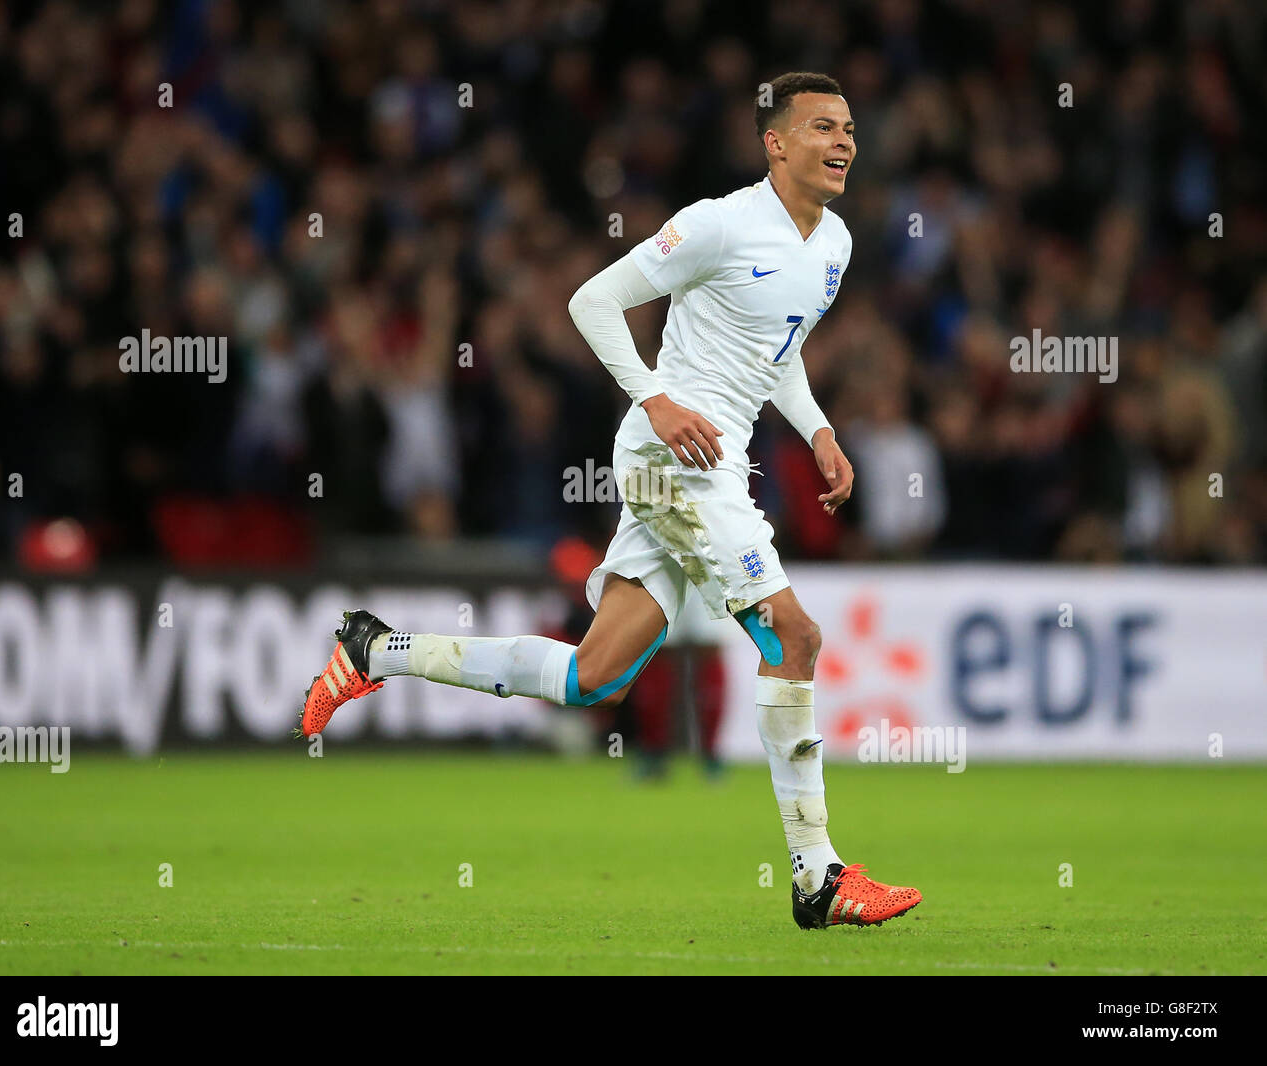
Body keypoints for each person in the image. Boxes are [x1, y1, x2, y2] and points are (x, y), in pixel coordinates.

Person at [299, 72, 921, 929]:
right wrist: (655, 400)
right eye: (822, 126)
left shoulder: (836, 244)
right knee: (795, 634)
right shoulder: (719, 224)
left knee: (594, 677)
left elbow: (775, 348)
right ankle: (818, 876)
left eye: (849, 126)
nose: (844, 141)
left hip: (715, 461)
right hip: (671, 459)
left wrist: (816, 430)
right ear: (775, 143)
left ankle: (376, 651)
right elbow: (591, 300)